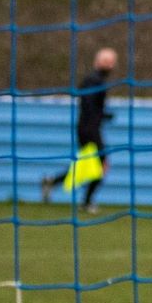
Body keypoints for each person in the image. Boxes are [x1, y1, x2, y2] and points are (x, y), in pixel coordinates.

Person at [41, 47, 117, 214]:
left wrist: (103, 115)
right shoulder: (94, 81)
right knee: (100, 165)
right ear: (97, 62)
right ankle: (87, 202)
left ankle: (52, 181)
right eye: (106, 61)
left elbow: (92, 108)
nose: (110, 64)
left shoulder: (96, 80)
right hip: (89, 130)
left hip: (88, 128)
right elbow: (89, 107)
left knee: (86, 166)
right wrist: (97, 120)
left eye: (111, 61)